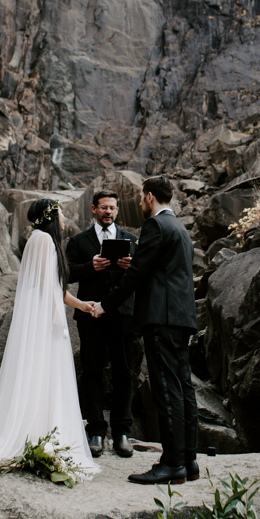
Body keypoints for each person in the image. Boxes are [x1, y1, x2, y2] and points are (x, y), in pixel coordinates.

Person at [0, 199, 100, 485]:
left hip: (40, 318)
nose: (64, 218)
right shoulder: (47, 242)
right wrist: (64, 319)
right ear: (50, 216)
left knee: (37, 378)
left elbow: (52, 289)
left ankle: (33, 432)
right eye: (60, 213)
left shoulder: (37, 239)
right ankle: (41, 435)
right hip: (46, 322)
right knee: (47, 378)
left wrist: (82, 305)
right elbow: (53, 291)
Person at [92, 176, 198, 485]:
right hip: (182, 318)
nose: (139, 203)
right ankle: (189, 460)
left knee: (166, 389)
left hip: (161, 318)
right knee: (183, 388)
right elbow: (164, 271)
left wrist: (106, 304)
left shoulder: (155, 226)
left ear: (149, 197)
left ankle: (172, 464)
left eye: (141, 198)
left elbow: (138, 275)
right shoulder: (180, 229)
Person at [66, 191, 137, 458]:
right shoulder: (78, 241)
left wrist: (131, 265)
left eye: (113, 208)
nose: (109, 212)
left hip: (122, 313)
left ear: (118, 211)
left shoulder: (130, 240)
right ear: (93, 209)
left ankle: (121, 432)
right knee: (92, 370)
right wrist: (90, 266)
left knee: (124, 371)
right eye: (104, 208)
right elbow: (68, 272)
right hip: (90, 313)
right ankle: (95, 431)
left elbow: (142, 273)